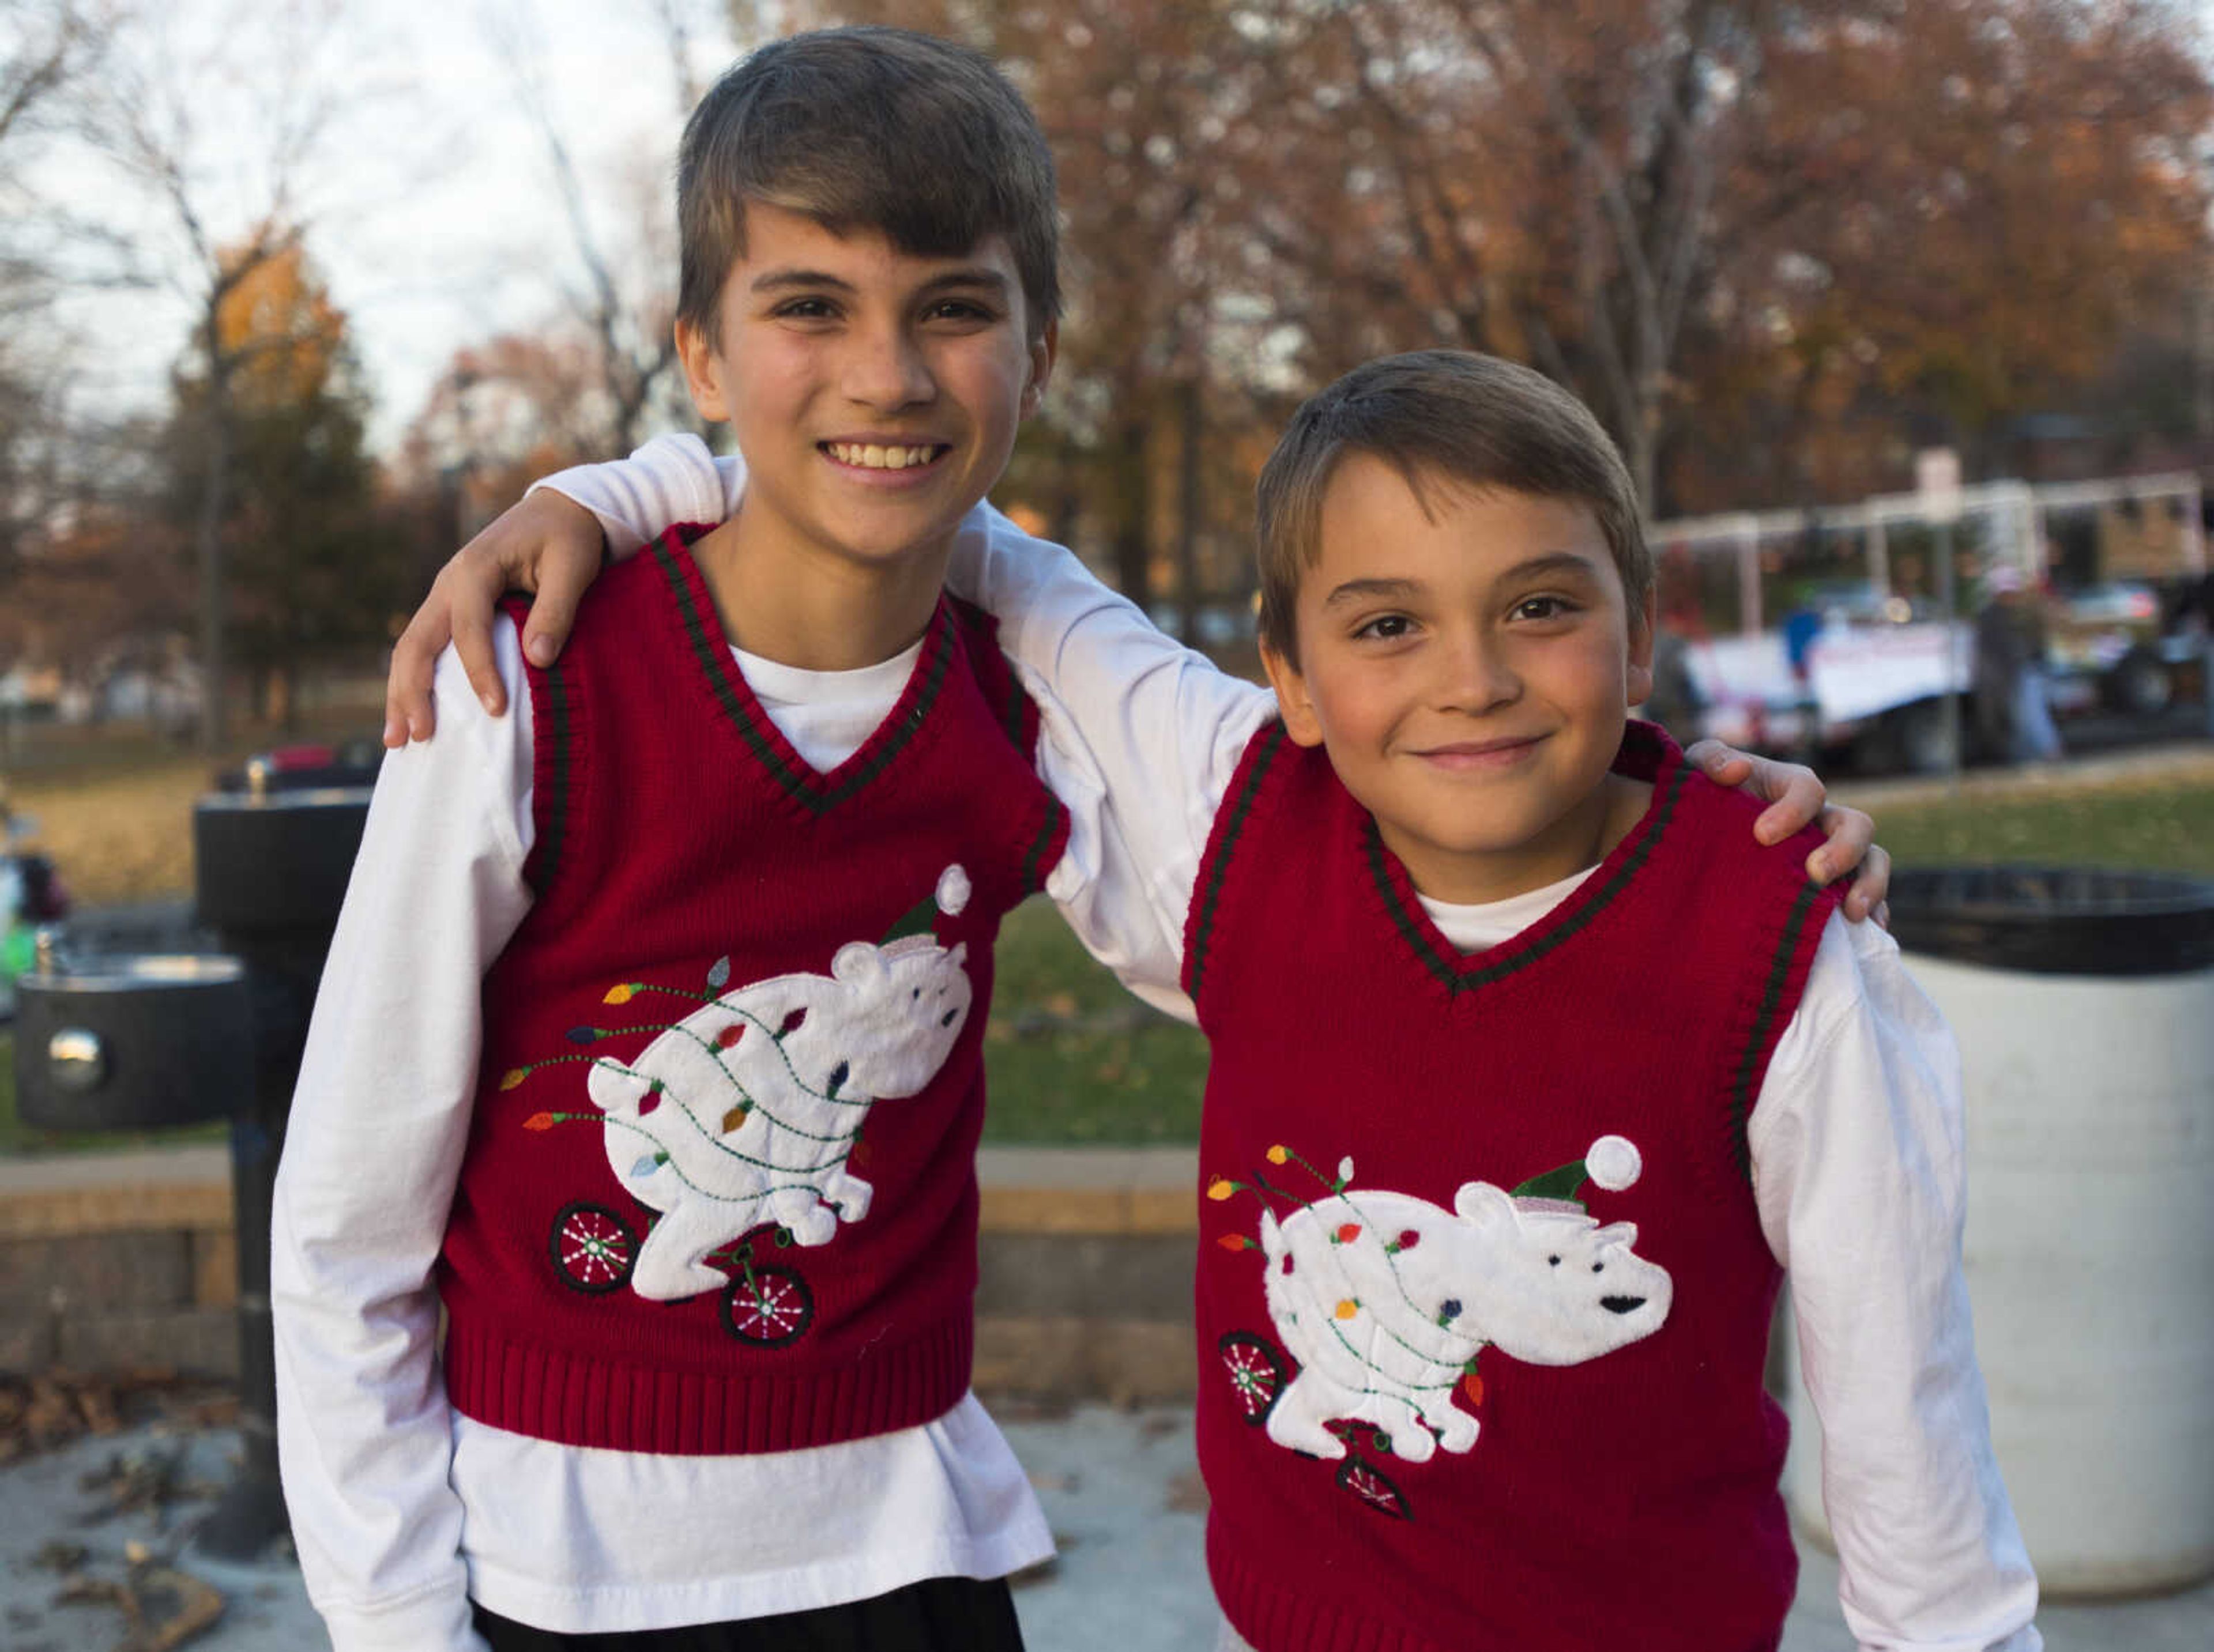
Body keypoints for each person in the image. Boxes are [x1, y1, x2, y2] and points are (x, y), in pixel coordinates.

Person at [388, 348, 2031, 1651]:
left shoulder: (1778, 934)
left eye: (1542, 604)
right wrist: (615, 491)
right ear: (1295, 678)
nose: (1473, 673)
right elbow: (962, 537)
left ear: (1643, 631)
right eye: (1388, 624)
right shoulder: (1241, 822)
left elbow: (1907, 1423)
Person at [273, 31, 1076, 1652]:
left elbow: (1301, 871)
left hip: (909, 1550)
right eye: (809, 305)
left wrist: (1657, 791)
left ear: (1036, 352)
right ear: (702, 359)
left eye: (953, 306)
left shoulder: (1039, 691)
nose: (888, 372)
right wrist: (393, 1612)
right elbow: (351, 1206)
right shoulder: (530, 677)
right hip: (560, 1572)